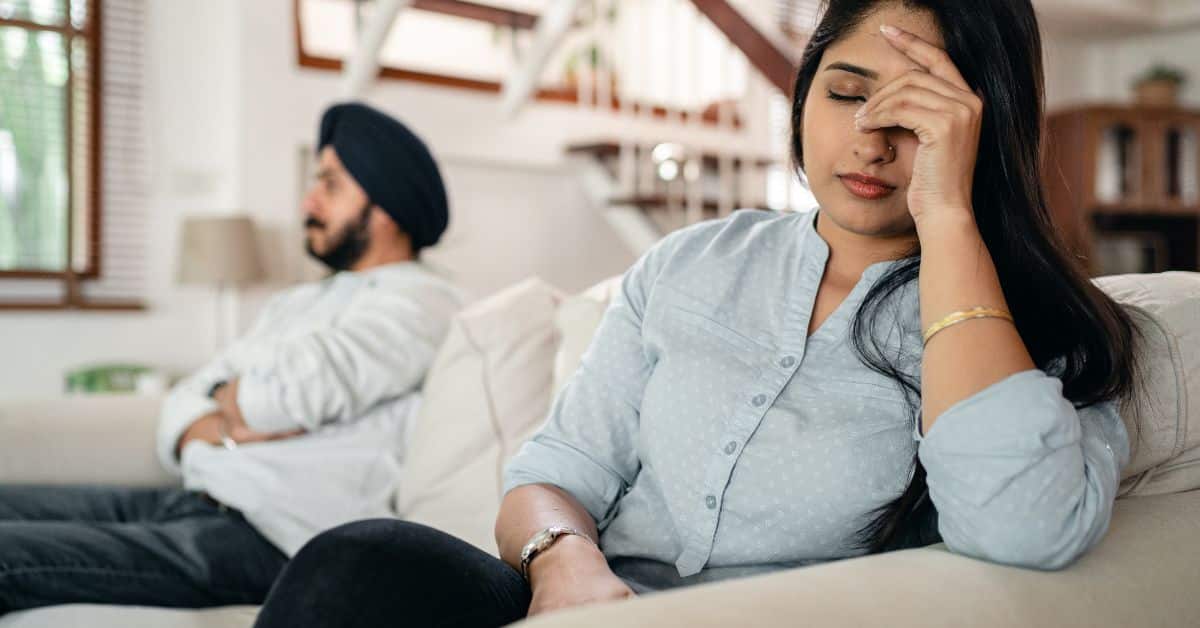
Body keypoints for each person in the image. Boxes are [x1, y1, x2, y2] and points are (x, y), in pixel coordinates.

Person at [251, 2, 1142, 627]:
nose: (871, 139)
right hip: (574, 601)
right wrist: (564, 561)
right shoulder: (691, 263)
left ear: (981, 129)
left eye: (919, 115)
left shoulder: (1036, 331)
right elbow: (555, 472)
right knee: (356, 563)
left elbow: (1023, 528)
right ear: (802, 97)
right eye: (845, 93)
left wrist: (948, 216)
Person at [0, 102, 464, 614]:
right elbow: (184, 400)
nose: (308, 201)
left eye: (330, 185)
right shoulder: (299, 302)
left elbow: (277, 398)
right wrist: (225, 423)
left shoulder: (424, 302)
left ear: (388, 207)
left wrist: (234, 399)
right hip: (191, 499)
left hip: (266, 539)